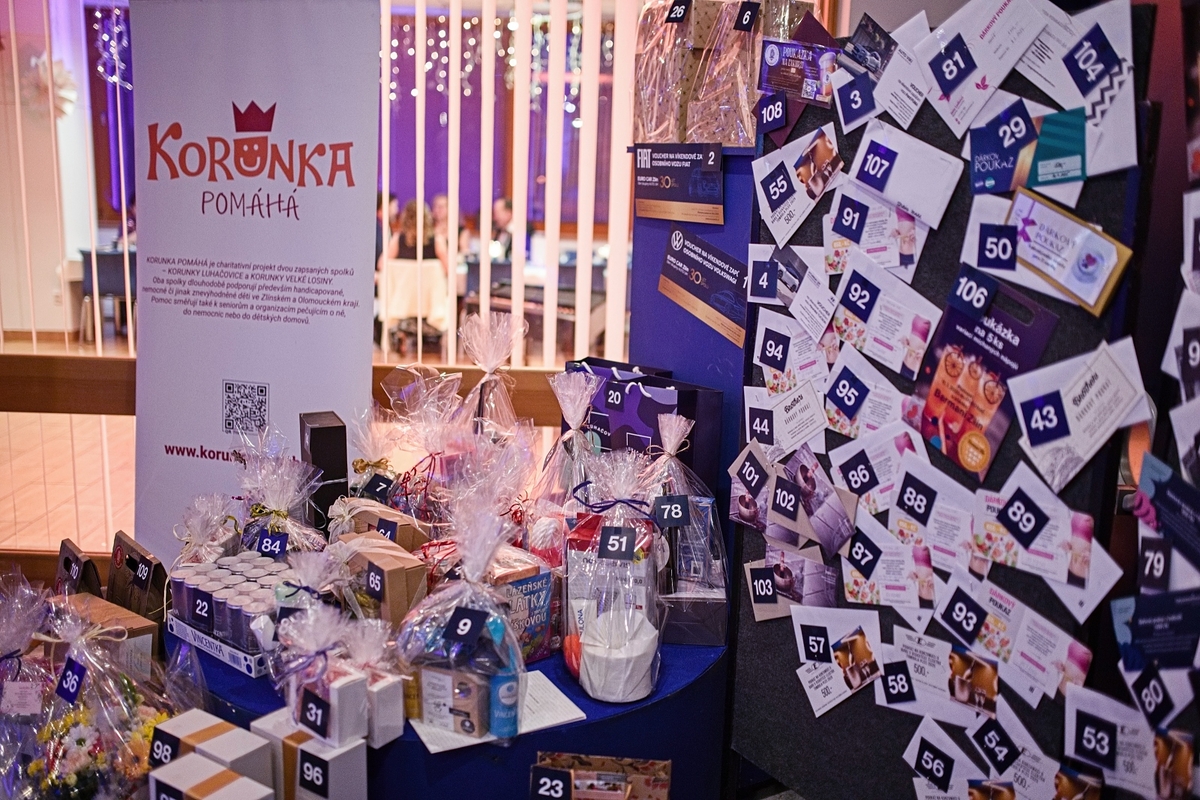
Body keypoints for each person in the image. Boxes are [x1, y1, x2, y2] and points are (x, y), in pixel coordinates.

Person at [376, 192, 398, 271]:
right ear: (384, 207)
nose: (396, 211)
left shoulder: (388, 228)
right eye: (394, 206)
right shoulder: (373, 229)